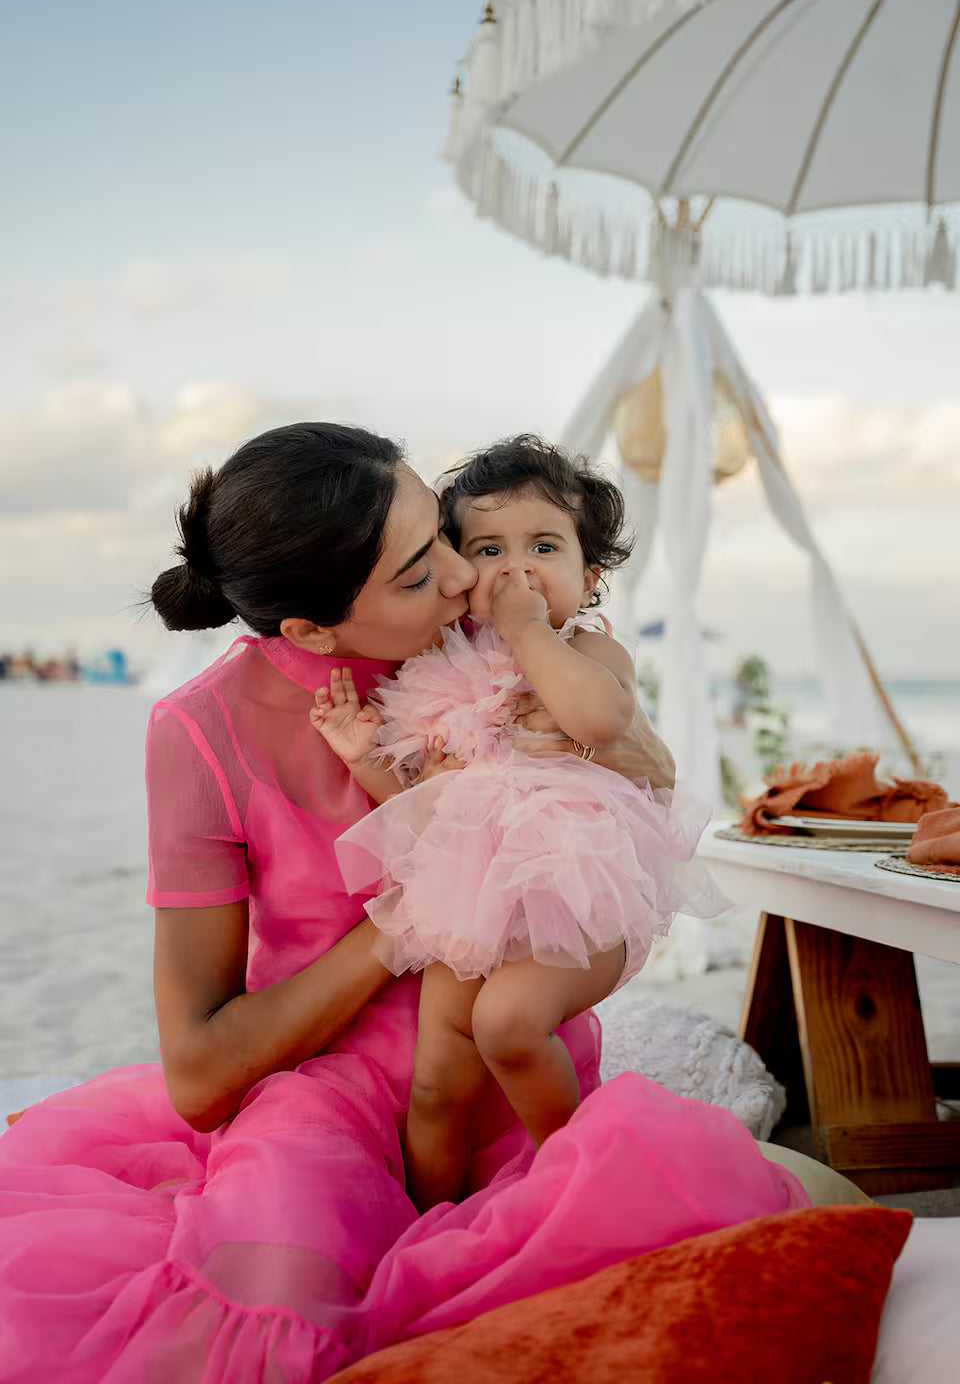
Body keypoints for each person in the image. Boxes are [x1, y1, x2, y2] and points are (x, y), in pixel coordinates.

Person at [0, 423, 807, 1384]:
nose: (469, 581)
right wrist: (398, 930)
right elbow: (202, 1076)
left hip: (502, 1064)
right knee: (272, 1303)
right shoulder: (200, 731)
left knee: (652, 1263)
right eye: (422, 573)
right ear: (309, 629)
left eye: (444, 538)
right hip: (319, 1086)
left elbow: (628, 774)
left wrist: (636, 758)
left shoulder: (497, 646)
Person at [312, 436, 723, 1210]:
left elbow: (601, 722)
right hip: (470, 903)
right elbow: (421, 798)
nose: (516, 569)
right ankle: (428, 1225)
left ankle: (584, 1188)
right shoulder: (442, 667)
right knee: (436, 1084)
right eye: (488, 548)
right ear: (459, 572)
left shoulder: (586, 649)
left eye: (543, 546)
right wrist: (362, 754)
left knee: (506, 1022)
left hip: (578, 891)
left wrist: (531, 633)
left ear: (589, 576)